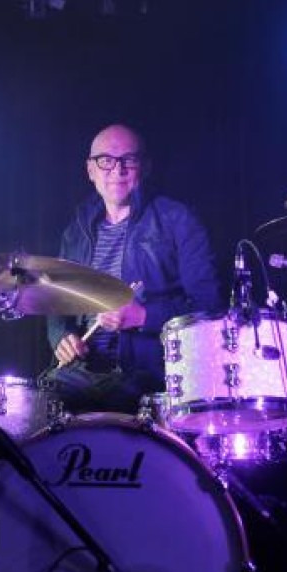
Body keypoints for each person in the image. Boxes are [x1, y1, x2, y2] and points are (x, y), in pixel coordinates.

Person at [45, 123, 222, 414]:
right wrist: (61, 336)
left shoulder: (178, 219)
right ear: (90, 170)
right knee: (36, 409)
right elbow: (56, 303)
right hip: (81, 370)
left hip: (147, 373)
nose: (117, 170)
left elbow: (209, 305)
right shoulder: (75, 232)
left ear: (145, 167)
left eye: (129, 159)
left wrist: (143, 316)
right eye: (106, 160)